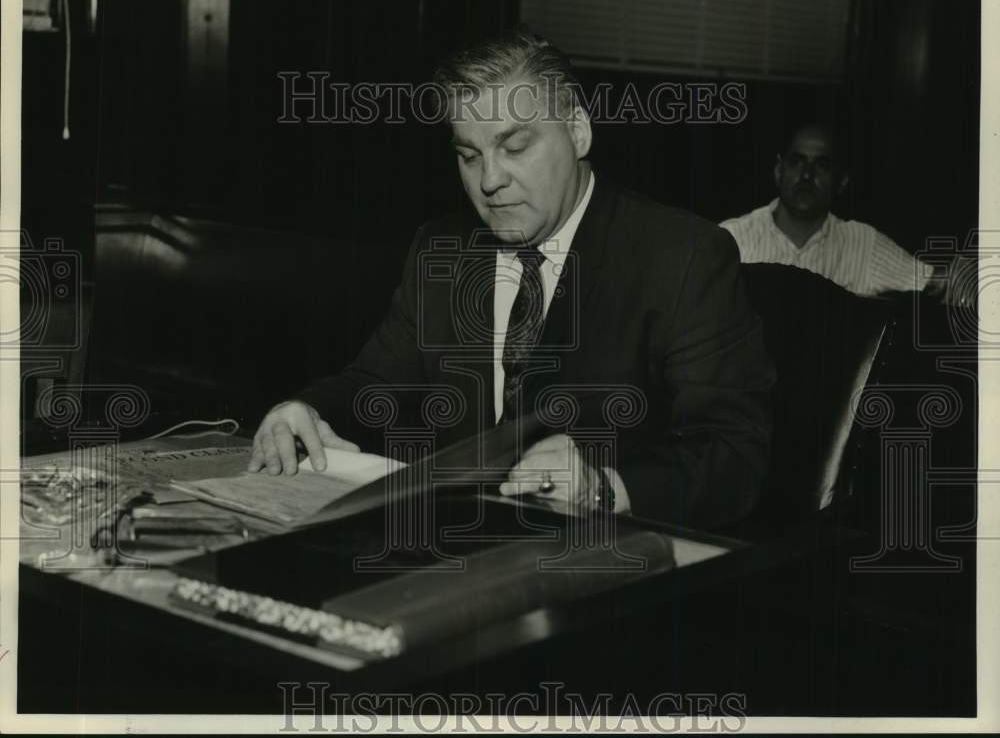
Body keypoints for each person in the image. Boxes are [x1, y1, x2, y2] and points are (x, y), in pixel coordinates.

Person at [248, 30, 775, 529]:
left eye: (515, 147)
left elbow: (733, 456)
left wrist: (603, 488)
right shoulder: (443, 249)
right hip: (452, 557)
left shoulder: (681, 257)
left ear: (578, 131)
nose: (489, 180)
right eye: (468, 155)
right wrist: (306, 411)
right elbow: (376, 384)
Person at [720, 122, 971, 303]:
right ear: (778, 171)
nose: (807, 175)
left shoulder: (862, 243)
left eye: (822, 165)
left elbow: (938, 282)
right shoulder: (732, 238)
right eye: (797, 161)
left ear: (841, 182)